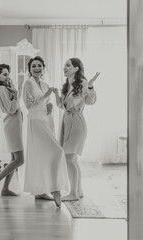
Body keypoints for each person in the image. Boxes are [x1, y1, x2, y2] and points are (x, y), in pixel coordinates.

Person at [22, 56, 69, 208]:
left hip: (46, 120)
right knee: (57, 151)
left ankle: (40, 190)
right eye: (34, 66)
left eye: (39, 66)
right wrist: (47, 94)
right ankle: (55, 188)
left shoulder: (44, 83)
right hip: (36, 121)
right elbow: (29, 105)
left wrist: (50, 105)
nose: (37, 68)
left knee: (43, 154)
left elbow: (46, 103)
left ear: (43, 68)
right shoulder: (28, 83)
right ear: (30, 69)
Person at [53, 58, 100, 201]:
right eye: (64, 66)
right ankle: (78, 191)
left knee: (69, 158)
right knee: (72, 159)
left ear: (76, 69)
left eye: (68, 65)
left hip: (77, 123)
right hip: (67, 123)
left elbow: (91, 101)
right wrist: (56, 94)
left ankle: (73, 193)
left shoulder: (83, 84)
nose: (64, 68)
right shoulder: (66, 86)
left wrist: (91, 86)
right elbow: (61, 106)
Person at [0, 64, 25, 198]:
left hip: (14, 122)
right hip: (12, 123)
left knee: (13, 159)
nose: (7, 76)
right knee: (20, 160)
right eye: (4, 74)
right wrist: (15, 94)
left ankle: (5, 188)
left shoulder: (4, 88)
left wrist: (15, 92)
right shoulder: (2, 89)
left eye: (8, 74)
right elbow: (11, 109)